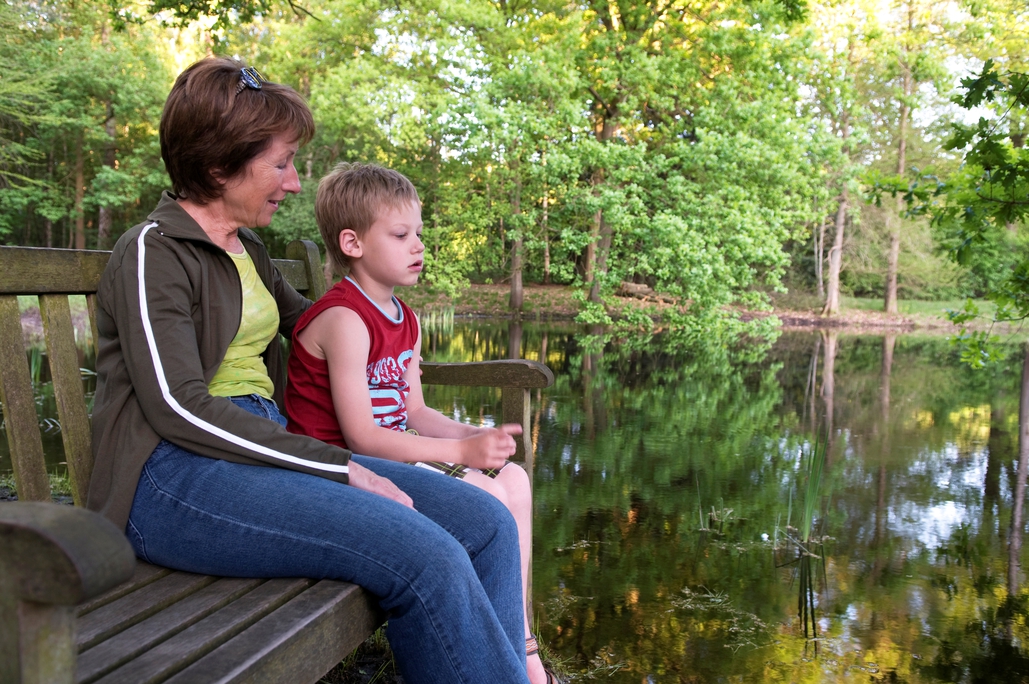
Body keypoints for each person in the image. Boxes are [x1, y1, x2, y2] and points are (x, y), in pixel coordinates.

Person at [86, 57, 529, 683]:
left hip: (266, 453)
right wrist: (340, 464)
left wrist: (395, 332)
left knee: (483, 523)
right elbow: (176, 406)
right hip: (170, 478)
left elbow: (324, 325)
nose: (293, 182)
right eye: (281, 162)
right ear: (218, 165)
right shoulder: (152, 251)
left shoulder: (249, 252)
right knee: (423, 551)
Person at [284, 162, 558, 684]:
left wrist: (471, 436)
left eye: (419, 235)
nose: (418, 247)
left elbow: (413, 411)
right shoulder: (344, 318)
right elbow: (361, 436)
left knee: (515, 479)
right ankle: (500, 658)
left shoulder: (404, 319)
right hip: (340, 469)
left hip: (392, 451)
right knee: (485, 495)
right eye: (401, 234)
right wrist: (459, 456)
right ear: (353, 242)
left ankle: (520, 644)